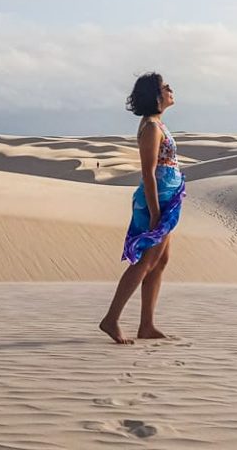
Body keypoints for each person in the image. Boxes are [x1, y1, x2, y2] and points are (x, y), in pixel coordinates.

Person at [100, 72, 183, 344]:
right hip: (154, 204)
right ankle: (111, 319)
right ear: (155, 95)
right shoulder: (150, 127)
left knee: (160, 263)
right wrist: (155, 212)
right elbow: (148, 172)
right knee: (146, 262)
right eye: (165, 87)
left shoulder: (157, 124)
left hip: (167, 201)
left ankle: (146, 324)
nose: (170, 89)